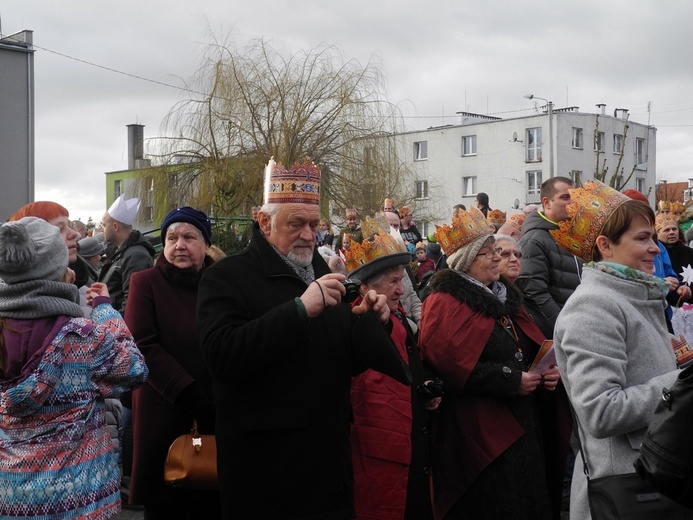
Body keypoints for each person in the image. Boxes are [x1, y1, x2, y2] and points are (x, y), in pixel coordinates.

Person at [196, 158, 410, 520]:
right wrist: (298, 309)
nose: (309, 235)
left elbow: (343, 361)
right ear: (264, 222)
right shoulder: (227, 277)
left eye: (313, 224)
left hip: (329, 467)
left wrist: (369, 323)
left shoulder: (324, 272)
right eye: (296, 224)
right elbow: (222, 357)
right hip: (268, 475)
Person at [418, 208, 562, 520]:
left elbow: (528, 345)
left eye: (497, 251)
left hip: (524, 424)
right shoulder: (444, 302)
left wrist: (547, 371)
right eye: (488, 253)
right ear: (466, 261)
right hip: (477, 434)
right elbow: (446, 364)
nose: (497, 258)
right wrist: (511, 379)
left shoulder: (504, 297)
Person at [0, 217, 148, 519]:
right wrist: (106, 310)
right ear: (54, 268)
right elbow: (134, 368)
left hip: (10, 496)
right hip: (79, 501)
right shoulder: (81, 336)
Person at [553, 181, 681, 520]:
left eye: (652, 237)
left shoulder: (634, 296)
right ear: (605, 246)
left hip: (655, 478)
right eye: (642, 238)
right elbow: (601, 411)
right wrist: (682, 384)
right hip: (628, 491)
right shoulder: (594, 307)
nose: (655, 248)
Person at [126, 207, 220, 519]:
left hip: (216, 412)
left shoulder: (219, 284)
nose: (179, 244)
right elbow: (142, 344)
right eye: (172, 237)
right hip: (165, 410)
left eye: (189, 237)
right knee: (168, 503)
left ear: (206, 244)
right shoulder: (146, 282)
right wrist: (189, 393)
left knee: (211, 496)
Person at [344, 220, 437, 520]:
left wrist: (425, 390)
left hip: (406, 441)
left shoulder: (396, 318)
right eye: (393, 282)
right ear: (365, 287)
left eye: (402, 280)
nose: (401, 290)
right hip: (378, 447)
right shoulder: (356, 322)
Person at [517, 176, 583, 338]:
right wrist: (563, 328)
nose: (572, 203)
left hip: (581, 325)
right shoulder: (534, 240)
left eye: (574, 198)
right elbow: (535, 293)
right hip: (562, 333)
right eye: (565, 197)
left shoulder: (575, 236)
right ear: (546, 203)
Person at [99, 195, 156, 315]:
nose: (102, 230)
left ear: (115, 226)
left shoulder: (135, 256)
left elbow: (133, 301)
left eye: (104, 225)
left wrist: (116, 327)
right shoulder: (122, 252)